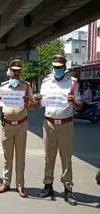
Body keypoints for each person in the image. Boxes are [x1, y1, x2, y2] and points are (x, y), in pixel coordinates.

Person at [35, 55, 83, 206]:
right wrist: (37, 99)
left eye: (59, 67)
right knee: (49, 156)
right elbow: (39, 105)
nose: (57, 70)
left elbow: (80, 104)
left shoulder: (73, 83)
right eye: (55, 67)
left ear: (65, 67)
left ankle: (68, 189)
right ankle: (48, 185)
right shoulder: (46, 82)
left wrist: (74, 102)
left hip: (65, 124)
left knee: (66, 158)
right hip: (48, 124)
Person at [0, 59, 35, 198]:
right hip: (7, 125)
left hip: (21, 125)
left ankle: (20, 185)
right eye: (14, 71)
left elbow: (34, 105)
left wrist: (27, 103)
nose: (16, 73)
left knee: (20, 156)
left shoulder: (26, 86)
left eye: (19, 71)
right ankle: (6, 183)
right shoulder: (3, 86)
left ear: (21, 72)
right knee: (7, 156)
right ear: (10, 72)